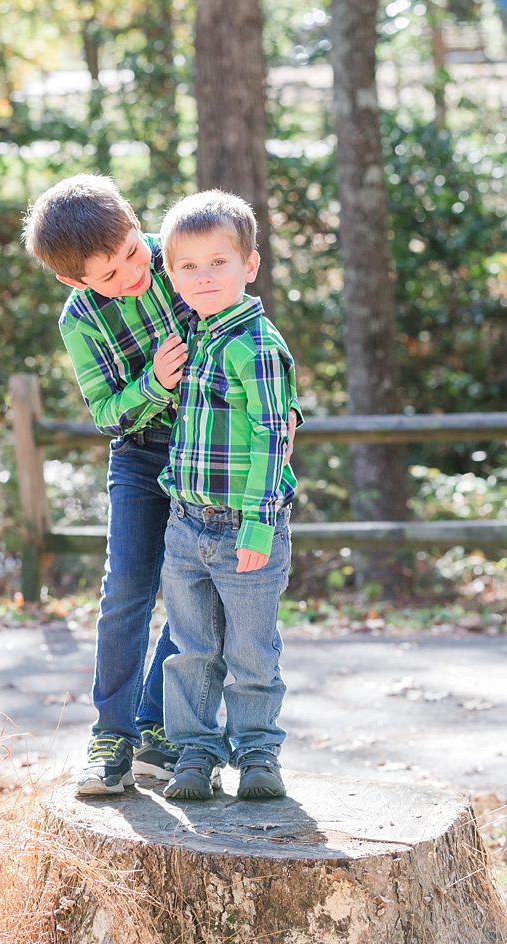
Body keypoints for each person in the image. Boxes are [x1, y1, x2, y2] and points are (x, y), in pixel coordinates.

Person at [23, 174, 194, 795]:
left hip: (208, 453)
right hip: (141, 456)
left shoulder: (178, 254)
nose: (132, 274)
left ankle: (159, 727)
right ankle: (111, 735)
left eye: (131, 252)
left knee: (192, 589)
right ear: (77, 281)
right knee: (125, 591)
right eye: (110, 275)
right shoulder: (80, 319)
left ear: (134, 222)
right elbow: (104, 412)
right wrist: (155, 383)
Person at [157, 190, 303, 801]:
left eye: (218, 262)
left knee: (250, 647)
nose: (203, 276)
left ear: (250, 265)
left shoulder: (256, 345)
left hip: (246, 527)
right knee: (189, 649)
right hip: (186, 524)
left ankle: (258, 753)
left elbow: (274, 438)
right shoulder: (194, 339)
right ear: (171, 274)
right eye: (188, 266)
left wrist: (259, 526)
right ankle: (194, 752)